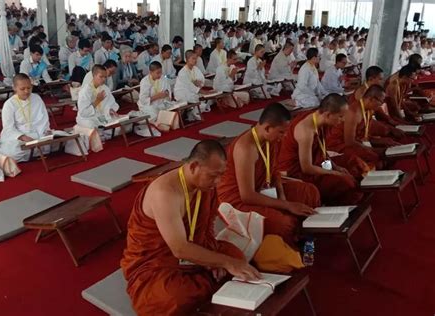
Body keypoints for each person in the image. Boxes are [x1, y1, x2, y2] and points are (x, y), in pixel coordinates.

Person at [121, 140, 260, 316]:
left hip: (196, 247)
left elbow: (207, 225)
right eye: (213, 175)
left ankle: (209, 282)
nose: (217, 182)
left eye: (221, 175)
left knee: (237, 256)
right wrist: (224, 262)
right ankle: (212, 283)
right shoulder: (165, 192)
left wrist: (217, 257)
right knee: (174, 297)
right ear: (194, 166)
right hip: (160, 263)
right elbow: (179, 249)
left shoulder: (206, 185)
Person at [217, 104, 320, 243]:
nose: (284, 137)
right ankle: (294, 242)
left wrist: (282, 198)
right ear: (267, 128)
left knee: (309, 192)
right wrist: (287, 205)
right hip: (237, 201)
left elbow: (274, 170)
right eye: (281, 132)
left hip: (263, 189)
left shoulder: (270, 139)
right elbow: (247, 196)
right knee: (285, 224)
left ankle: (306, 230)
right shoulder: (246, 148)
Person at [278, 94, 364, 205]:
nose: (343, 120)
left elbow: (321, 150)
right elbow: (307, 168)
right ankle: (333, 208)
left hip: (317, 163)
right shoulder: (305, 130)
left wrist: (336, 167)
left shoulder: (320, 119)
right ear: (328, 115)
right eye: (340, 116)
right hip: (296, 172)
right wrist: (335, 173)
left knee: (352, 163)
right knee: (345, 182)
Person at [326, 85, 402, 170]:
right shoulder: (353, 113)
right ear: (371, 99)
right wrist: (374, 149)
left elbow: (363, 135)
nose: (382, 104)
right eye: (381, 101)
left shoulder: (368, 110)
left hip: (358, 141)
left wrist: (380, 141)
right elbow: (349, 142)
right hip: (339, 145)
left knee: (387, 145)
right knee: (375, 156)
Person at [0, 74, 50, 162]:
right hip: (18, 138)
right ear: (14, 88)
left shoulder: (37, 98)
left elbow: (44, 120)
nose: (26, 91)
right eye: (22, 89)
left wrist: (46, 132)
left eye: (29, 88)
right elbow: (8, 128)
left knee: (54, 143)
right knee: (16, 152)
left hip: (37, 135)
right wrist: (22, 136)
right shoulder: (9, 104)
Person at [76, 65, 120, 129]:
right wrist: (97, 101)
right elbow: (83, 112)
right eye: (101, 77)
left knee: (117, 122)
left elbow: (111, 103)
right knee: (92, 126)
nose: (104, 79)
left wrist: (110, 110)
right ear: (94, 76)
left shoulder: (105, 88)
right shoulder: (85, 91)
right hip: (88, 118)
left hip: (101, 115)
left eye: (105, 77)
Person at [174, 50, 208, 118]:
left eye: (196, 58)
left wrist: (198, 83)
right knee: (194, 100)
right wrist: (200, 88)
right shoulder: (182, 72)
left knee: (203, 104)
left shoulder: (196, 69)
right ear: (187, 59)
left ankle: (189, 111)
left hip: (192, 92)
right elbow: (189, 86)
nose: (195, 60)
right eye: (193, 58)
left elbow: (202, 79)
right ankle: (188, 112)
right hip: (182, 92)